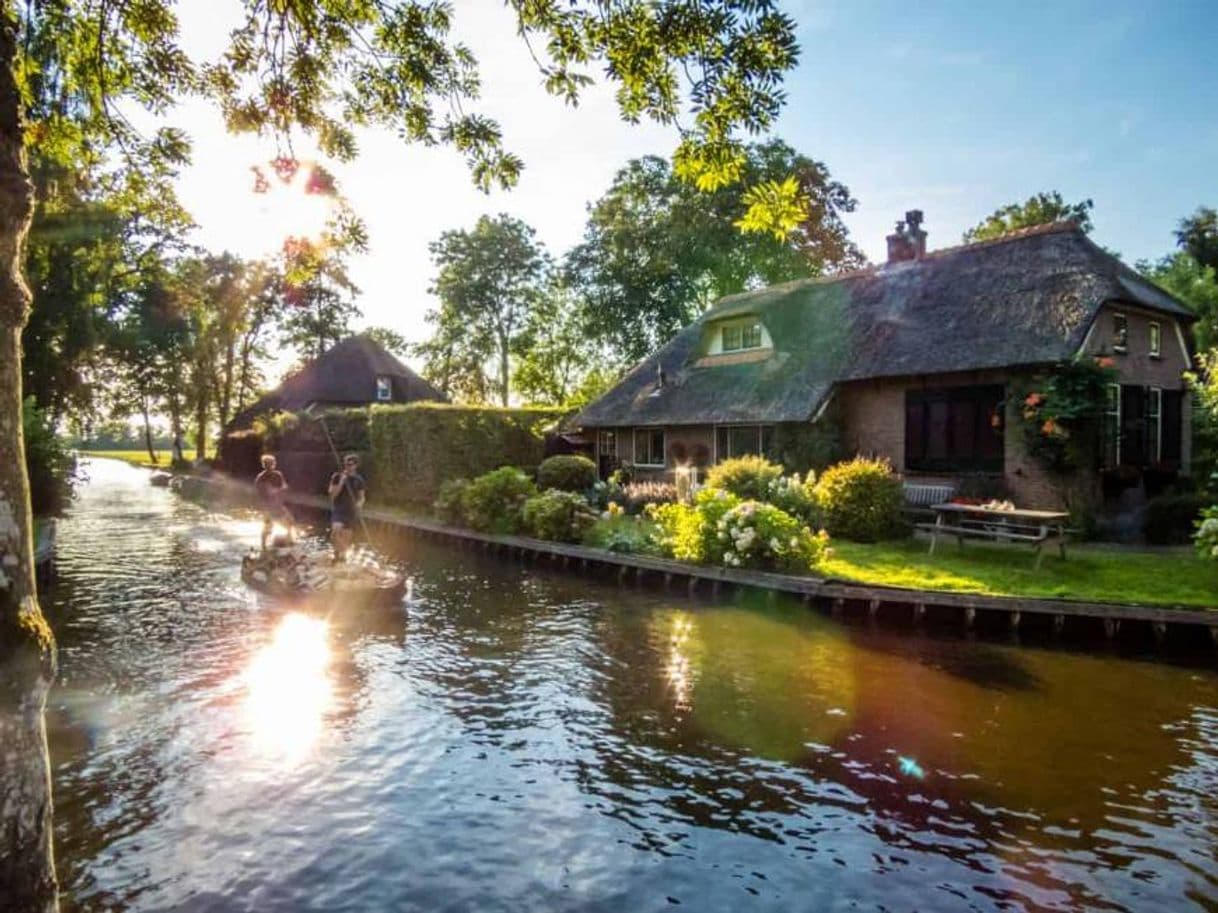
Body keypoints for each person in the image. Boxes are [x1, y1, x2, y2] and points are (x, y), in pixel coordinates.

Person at [328, 453, 366, 561]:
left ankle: (341, 557)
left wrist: (360, 504)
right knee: (335, 531)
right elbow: (332, 495)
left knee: (346, 538)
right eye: (346, 464)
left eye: (350, 464)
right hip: (339, 510)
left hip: (351, 512)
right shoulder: (337, 476)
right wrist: (341, 482)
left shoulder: (359, 480)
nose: (347, 467)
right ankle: (338, 552)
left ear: (356, 465)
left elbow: (362, 497)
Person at [254, 454, 294, 551]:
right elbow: (260, 493)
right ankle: (264, 547)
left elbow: (284, 486)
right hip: (268, 507)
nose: (270, 465)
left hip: (277, 505)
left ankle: (289, 541)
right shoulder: (261, 478)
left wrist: (279, 490)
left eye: (271, 463)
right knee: (268, 526)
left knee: (290, 521)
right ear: (265, 465)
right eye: (268, 464)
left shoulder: (277, 475)